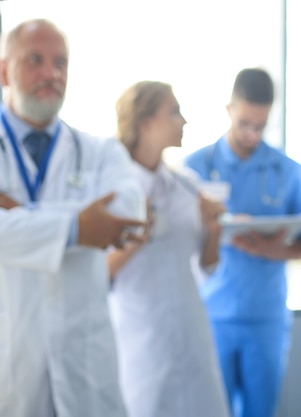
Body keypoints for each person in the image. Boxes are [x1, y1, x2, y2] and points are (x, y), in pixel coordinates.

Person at [0, 19, 146, 417]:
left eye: (60, 63)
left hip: (85, 367)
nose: (51, 74)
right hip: (10, 368)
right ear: (3, 71)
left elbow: (128, 214)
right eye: (35, 60)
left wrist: (17, 214)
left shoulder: (100, 151)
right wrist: (79, 226)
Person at [184, 68, 301, 417]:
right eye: (244, 123)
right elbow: (177, 240)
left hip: (265, 317)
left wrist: (272, 249)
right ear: (229, 109)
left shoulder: (288, 172)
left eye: (260, 125)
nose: (252, 133)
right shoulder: (194, 169)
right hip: (212, 314)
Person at [107, 80, 231, 417]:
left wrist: (212, 231)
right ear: (145, 122)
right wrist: (136, 234)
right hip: (141, 337)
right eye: (174, 112)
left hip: (192, 330)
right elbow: (100, 273)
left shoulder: (187, 185)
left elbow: (207, 266)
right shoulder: (112, 190)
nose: (184, 121)